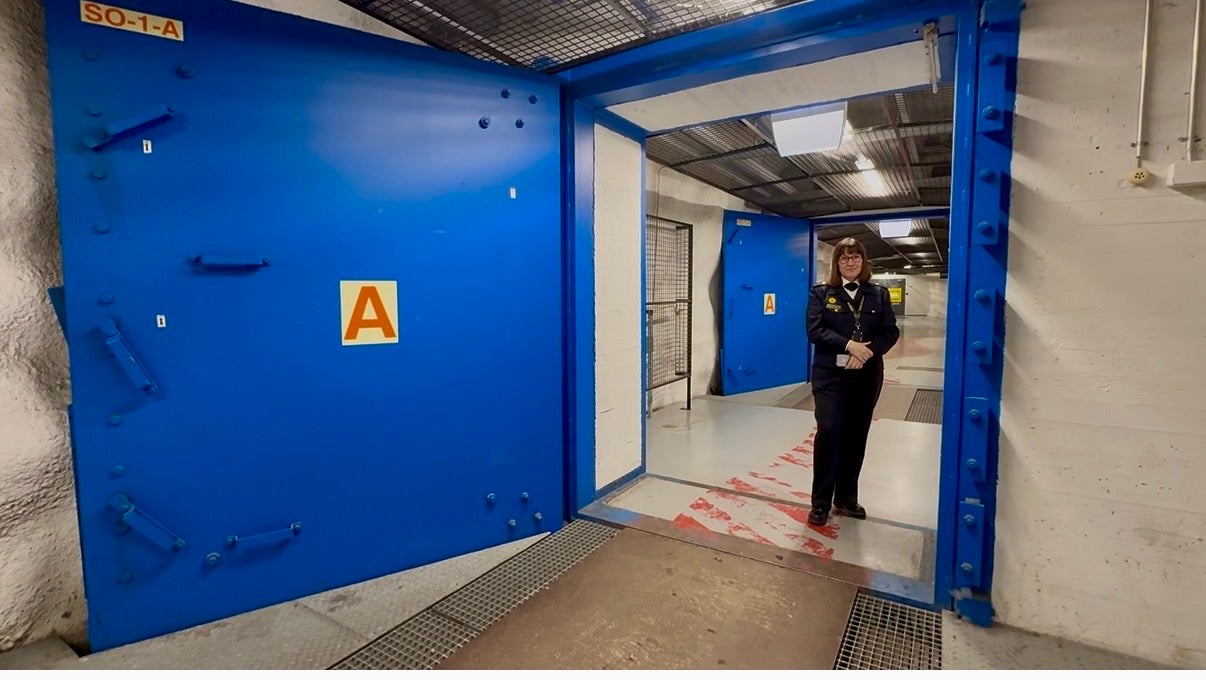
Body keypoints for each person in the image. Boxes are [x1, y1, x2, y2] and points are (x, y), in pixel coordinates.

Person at [805, 237, 900, 527]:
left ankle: (845, 498)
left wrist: (867, 351)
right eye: (844, 258)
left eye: (855, 257)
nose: (850, 262)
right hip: (829, 375)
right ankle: (820, 502)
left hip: (867, 375)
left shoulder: (879, 294)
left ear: (863, 261)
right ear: (837, 263)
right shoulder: (821, 293)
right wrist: (849, 345)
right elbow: (814, 330)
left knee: (856, 435)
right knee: (830, 429)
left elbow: (890, 332)